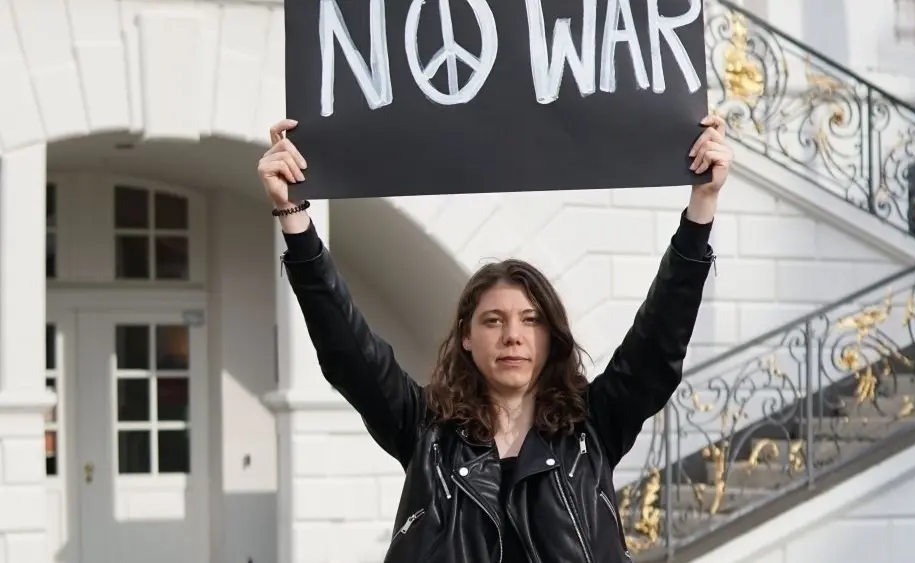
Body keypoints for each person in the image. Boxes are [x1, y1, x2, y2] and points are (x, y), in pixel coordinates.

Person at [259, 115, 732, 563]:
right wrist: (292, 214)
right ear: (466, 337)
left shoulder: (592, 426)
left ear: (551, 336)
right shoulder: (426, 430)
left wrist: (702, 205)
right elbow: (349, 350)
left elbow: (657, 342)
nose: (513, 336)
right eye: (493, 321)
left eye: (531, 320)